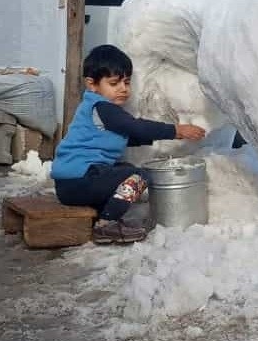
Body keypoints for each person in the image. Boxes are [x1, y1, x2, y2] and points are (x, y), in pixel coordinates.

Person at [51, 44, 206, 245]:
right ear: (92, 84)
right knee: (140, 176)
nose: (123, 89)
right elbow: (134, 127)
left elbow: (127, 135)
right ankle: (106, 225)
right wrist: (176, 130)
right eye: (114, 83)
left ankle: (103, 215)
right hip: (80, 181)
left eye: (126, 82)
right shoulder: (103, 107)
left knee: (125, 170)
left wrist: (165, 136)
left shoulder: (94, 109)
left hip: (72, 183)